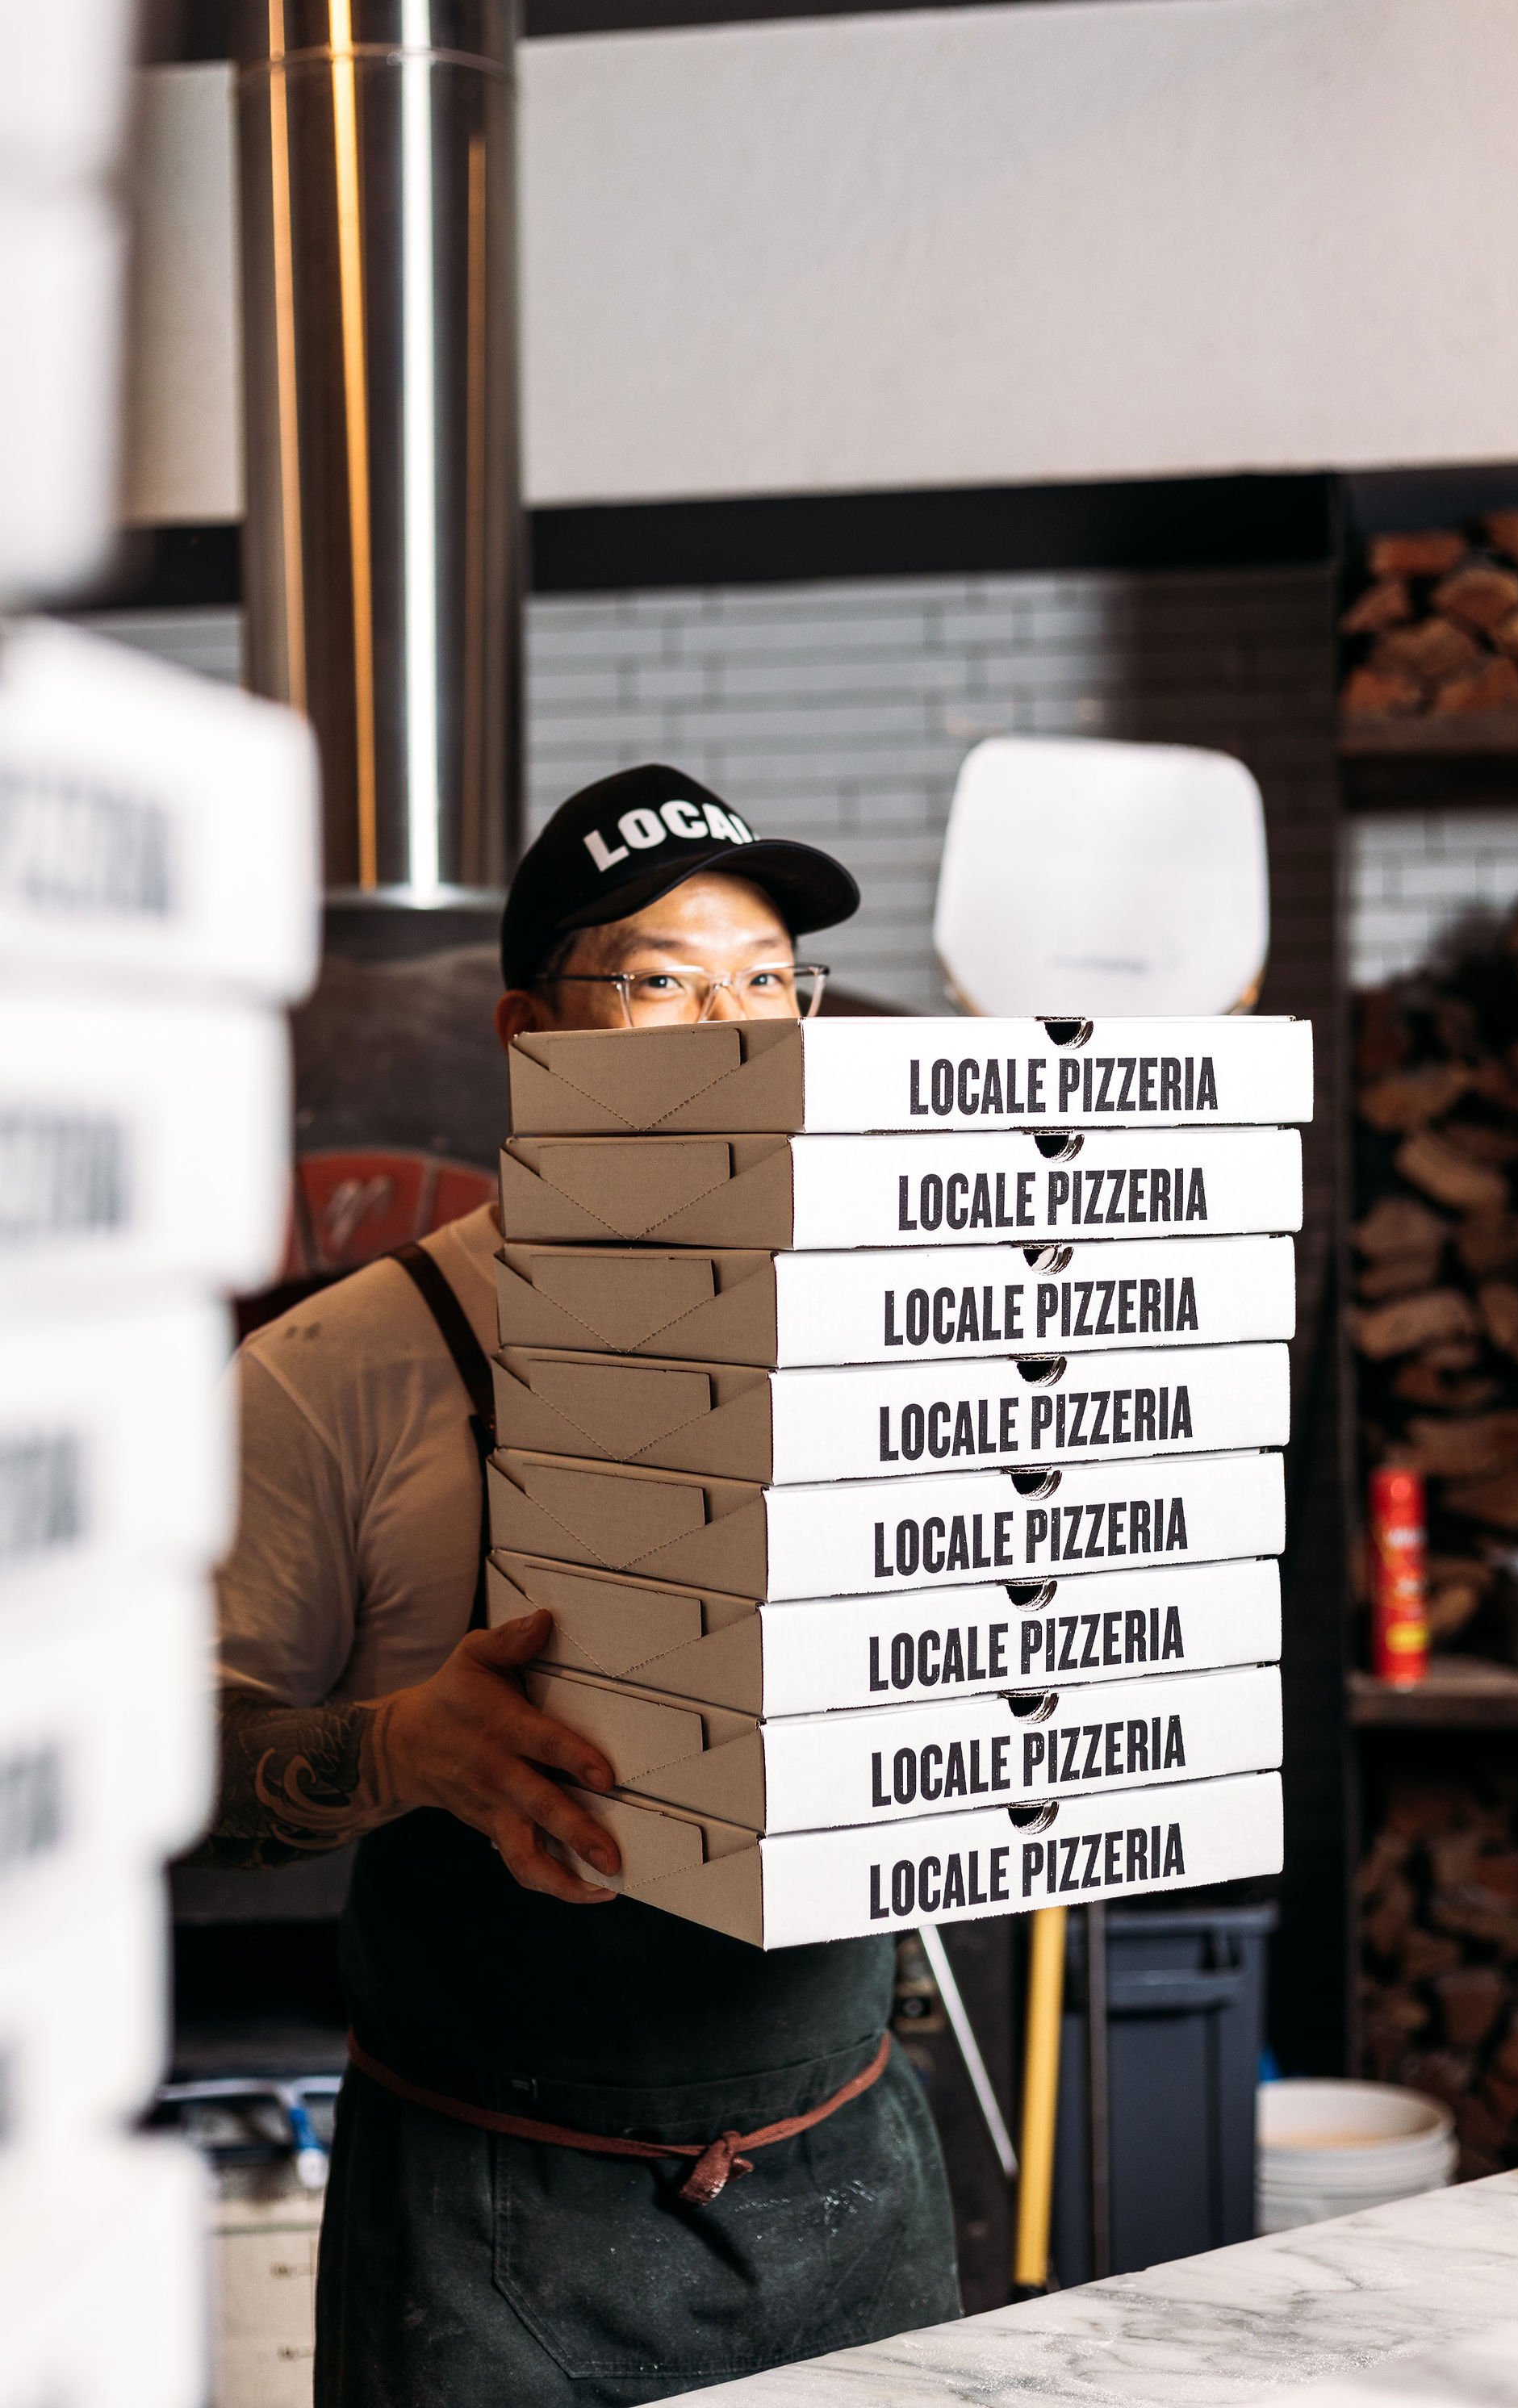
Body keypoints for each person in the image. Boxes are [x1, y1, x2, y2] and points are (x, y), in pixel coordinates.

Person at [207, 763, 960, 2408]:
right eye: (664, 985)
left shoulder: (891, 1325)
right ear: (528, 1030)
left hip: (851, 2175)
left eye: (769, 986)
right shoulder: (335, 1367)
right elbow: (161, 1772)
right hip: (492, 2230)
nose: (734, 1032)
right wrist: (399, 1753)